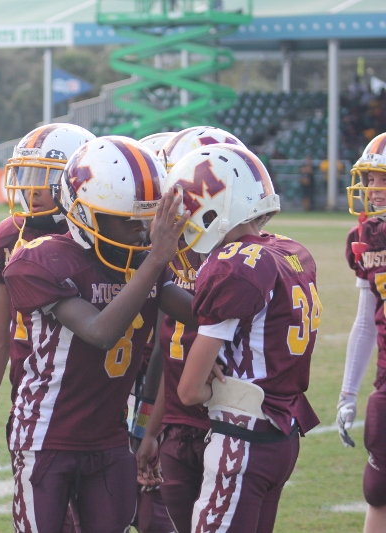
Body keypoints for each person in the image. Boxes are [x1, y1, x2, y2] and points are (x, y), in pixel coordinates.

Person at [2, 136, 196, 533]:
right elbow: (100, 332)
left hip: (109, 437)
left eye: (146, 220)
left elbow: (201, 315)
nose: (142, 233)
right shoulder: (40, 259)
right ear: (84, 214)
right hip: (46, 435)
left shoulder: (141, 263)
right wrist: (156, 261)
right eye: (128, 221)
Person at [166, 143, 320, 533]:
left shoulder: (231, 264)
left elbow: (189, 391)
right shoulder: (290, 252)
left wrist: (214, 386)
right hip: (282, 435)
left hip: (242, 437)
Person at [135, 127, 245, 533]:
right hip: (177, 419)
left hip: (226, 421)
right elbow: (168, 350)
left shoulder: (239, 263)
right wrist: (150, 428)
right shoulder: (178, 253)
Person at [0, 122, 95, 481]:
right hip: (32, 407)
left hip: (99, 405)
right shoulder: (9, 240)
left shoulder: (102, 240)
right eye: (28, 175)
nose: (32, 188)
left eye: (46, 177)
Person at [339, 132, 386, 533]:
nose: (373, 189)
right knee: (378, 490)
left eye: (383, 179)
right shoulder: (367, 236)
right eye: (370, 179)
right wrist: (348, 394)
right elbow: (365, 320)